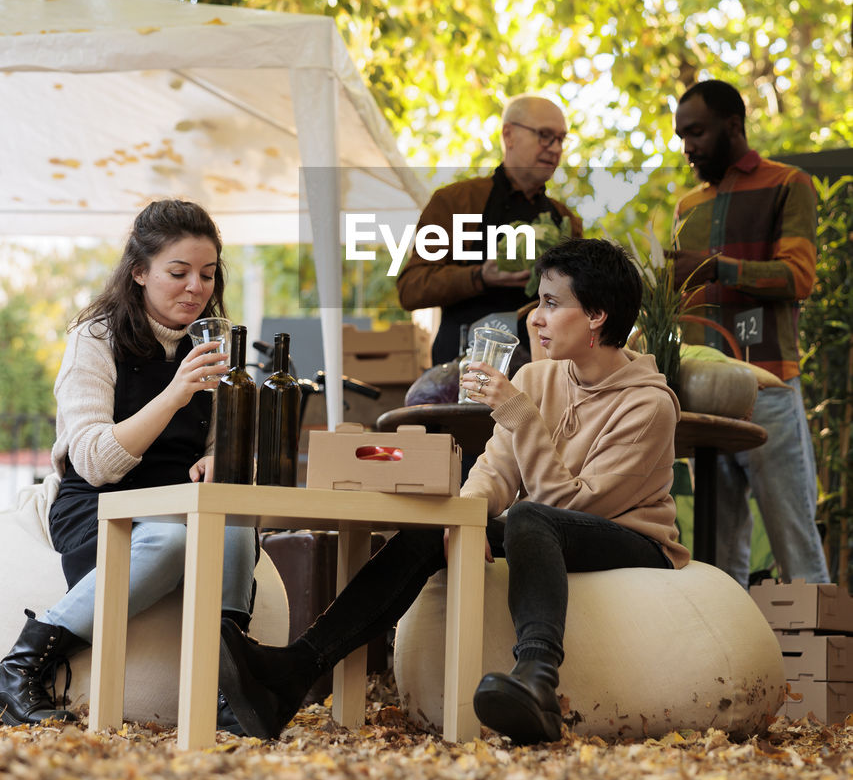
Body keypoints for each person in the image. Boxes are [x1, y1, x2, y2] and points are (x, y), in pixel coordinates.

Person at [218, 237, 688, 745]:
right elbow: (495, 472)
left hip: (631, 538)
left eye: (552, 304)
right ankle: (292, 674)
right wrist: (462, 518)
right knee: (433, 529)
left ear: (597, 315)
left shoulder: (649, 407)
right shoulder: (537, 377)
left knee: (531, 517)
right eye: (539, 303)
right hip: (550, 526)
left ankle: (538, 680)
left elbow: (573, 506)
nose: (536, 318)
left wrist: (520, 416)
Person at [0, 199, 258, 731]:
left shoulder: (212, 341)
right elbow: (93, 461)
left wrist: (214, 458)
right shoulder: (95, 338)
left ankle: (227, 691)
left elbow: (219, 440)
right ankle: (20, 667)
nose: (196, 288)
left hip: (176, 500)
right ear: (139, 272)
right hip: (99, 504)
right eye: (178, 272)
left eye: (208, 275)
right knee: (171, 541)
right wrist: (176, 393)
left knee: (234, 528)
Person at [672, 79, 829, 588]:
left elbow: (797, 277)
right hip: (701, 397)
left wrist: (715, 267)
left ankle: (825, 666)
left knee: (796, 548)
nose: (687, 146)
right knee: (717, 562)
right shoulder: (686, 206)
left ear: (733, 126)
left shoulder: (789, 183)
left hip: (769, 387)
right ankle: (729, 667)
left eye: (695, 132)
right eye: (681, 135)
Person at [397, 95, 582, 365]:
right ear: (509, 135)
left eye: (561, 139)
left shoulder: (566, 220)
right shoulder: (456, 202)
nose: (555, 148)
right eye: (544, 135)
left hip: (543, 370)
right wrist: (480, 277)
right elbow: (411, 288)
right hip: (464, 368)